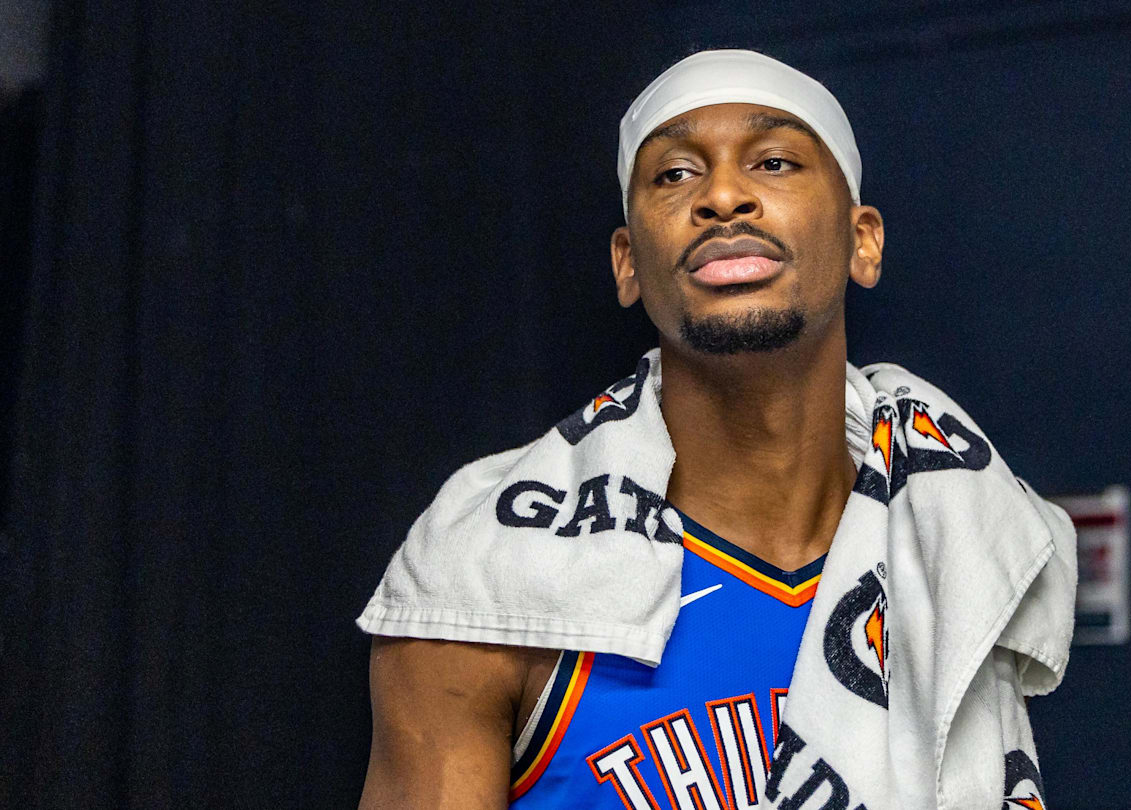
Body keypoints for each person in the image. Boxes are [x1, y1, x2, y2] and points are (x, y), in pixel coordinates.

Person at [356, 50, 1074, 810]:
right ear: (628, 263)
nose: (724, 196)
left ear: (864, 241)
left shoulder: (958, 546)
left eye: (774, 161)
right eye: (675, 175)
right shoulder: (481, 583)